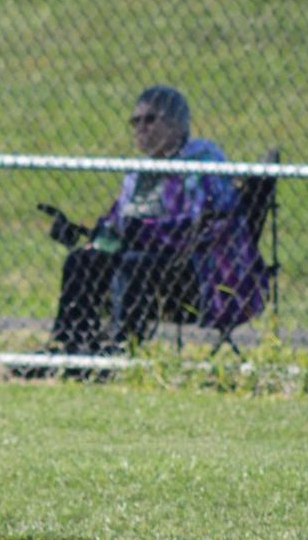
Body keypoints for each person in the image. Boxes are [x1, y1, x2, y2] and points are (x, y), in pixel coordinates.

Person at [38, 85, 267, 357]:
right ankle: (69, 345)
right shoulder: (139, 174)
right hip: (143, 260)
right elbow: (118, 225)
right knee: (82, 261)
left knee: (134, 264)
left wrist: (147, 233)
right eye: (135, 121)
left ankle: (121, 350)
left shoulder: (202, 162)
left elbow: (206, 223)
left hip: (193, 271)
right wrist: (85, 234)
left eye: (150, 119)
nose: (141, 128)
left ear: (176, 124)